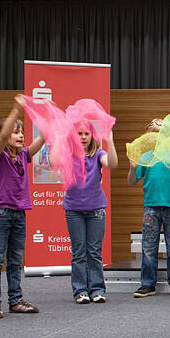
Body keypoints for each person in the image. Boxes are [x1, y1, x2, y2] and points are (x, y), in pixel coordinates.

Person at [0, 95, 44, 318]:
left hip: (19, 214)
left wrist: (49, 115)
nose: (20, 135)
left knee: (16, 260)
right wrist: (16, 110)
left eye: (22, 132)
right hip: (0, 213)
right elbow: (2, 136)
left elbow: (43, 139)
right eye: (16, 132)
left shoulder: (23, 155)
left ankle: (15, 300)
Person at [130, 118, 170, 299]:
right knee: (148, 247)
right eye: (154, 132)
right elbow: (132, 181)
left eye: (162, 132)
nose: (158, 136)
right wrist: (133, 168)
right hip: (151, 207)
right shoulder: (145, 157)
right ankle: (148, 284)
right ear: (147, 136)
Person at [63, 121, 118, 304]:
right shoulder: (68, 155)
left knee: (94, 252)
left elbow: (112, 163)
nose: (84, 137)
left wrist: (109, 142)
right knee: (79, 252)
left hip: (96, 210)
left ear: (92, 136)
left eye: (87, 134)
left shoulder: (98, 154)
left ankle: (97, 289)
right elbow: (55, 160)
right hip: (74, 210)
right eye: (79, 133)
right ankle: (80, 291)